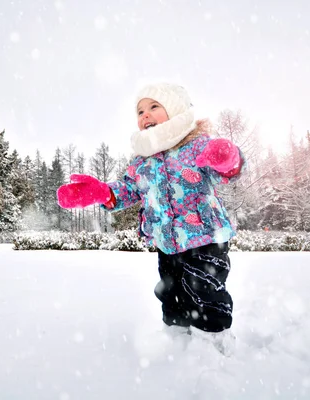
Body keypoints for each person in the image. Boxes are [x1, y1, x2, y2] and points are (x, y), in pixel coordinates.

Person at [56, 83, 245, 354]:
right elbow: (129, 190)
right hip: (166, 242)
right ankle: (176, 343)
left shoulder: (197, 146)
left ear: (176, 109)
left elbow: (228, 170)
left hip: (204, 237)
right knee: (171, 293)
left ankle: (213, 346)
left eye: (154, 106)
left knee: (205, 291)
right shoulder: (143, 161)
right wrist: (103, 192)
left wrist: (228, 159)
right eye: (140, 110)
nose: (145, 114)